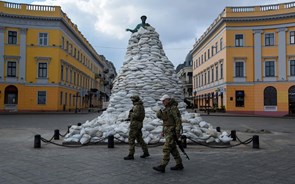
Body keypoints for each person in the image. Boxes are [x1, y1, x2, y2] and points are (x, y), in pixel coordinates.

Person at [153, 94, 184, 173]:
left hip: (172, 132)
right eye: (162, 101)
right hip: (167, 131)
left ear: (168, 100)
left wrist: (177, 132)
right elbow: (165, 121)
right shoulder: (167, 109)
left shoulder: (173, 108)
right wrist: (163, 131)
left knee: (166, 148)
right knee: (173, 149)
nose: (163, 102)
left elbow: (178, 121)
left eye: (164, 100)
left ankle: (163, 166)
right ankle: (179, 164)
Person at [124, 95, 150, 160]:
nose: (132, 101)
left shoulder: (137, 106)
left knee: (131, 139)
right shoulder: (140, 106)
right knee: (139, 139)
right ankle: (146, 152)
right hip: (139, 124)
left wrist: (131, 114)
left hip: (135, 124)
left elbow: (136, 115)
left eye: (132, 100)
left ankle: (131, 154)